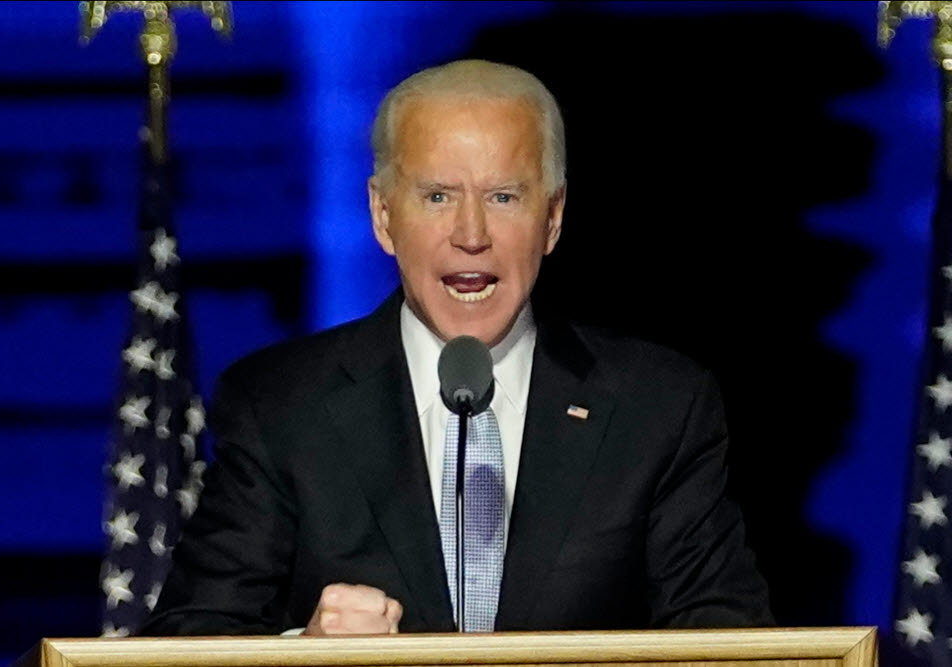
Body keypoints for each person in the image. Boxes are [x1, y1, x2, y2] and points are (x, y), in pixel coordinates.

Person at [140, 59, 773, 636]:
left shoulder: (657, 407)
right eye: (438, 196)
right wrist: (308, 652)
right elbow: (189, 641)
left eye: (504, 197)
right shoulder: (281, 408)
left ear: (552, 218)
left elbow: (728, 638)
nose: (471, 235)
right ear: (384, 216)